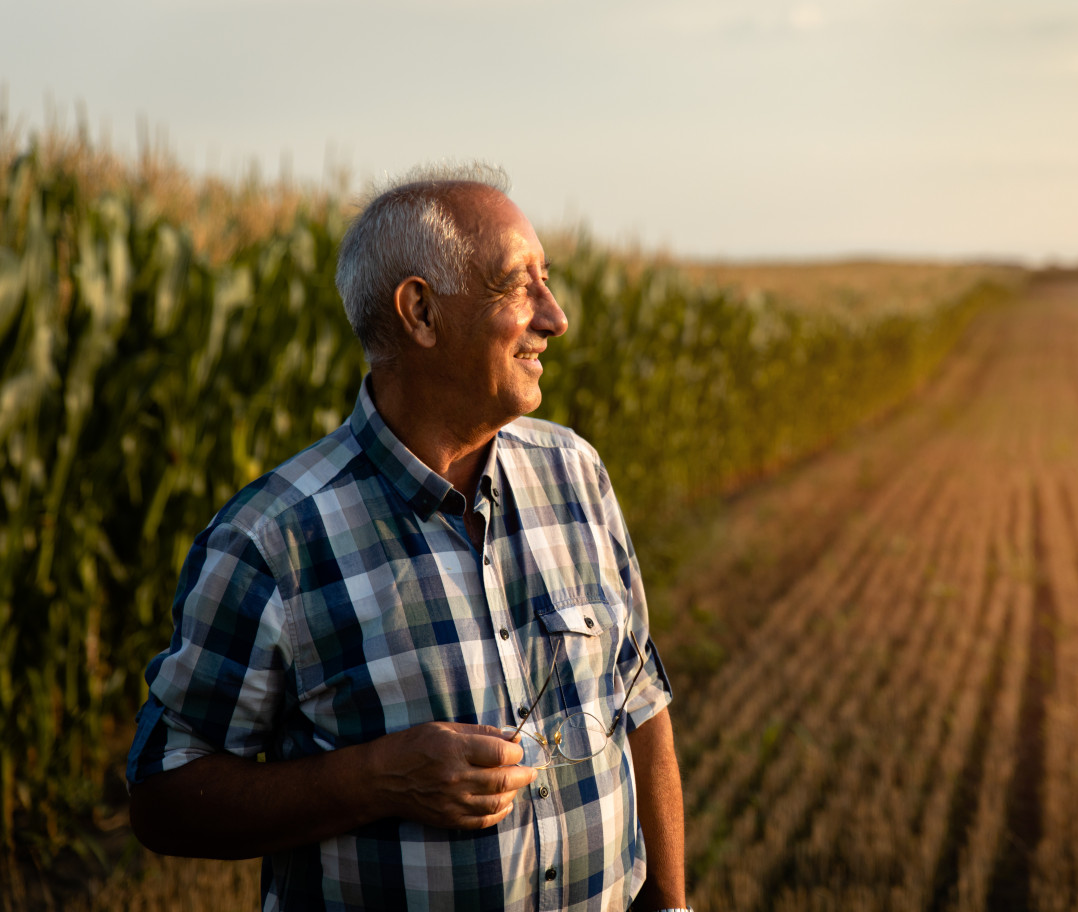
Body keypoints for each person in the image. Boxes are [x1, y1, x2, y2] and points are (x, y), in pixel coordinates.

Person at [126, 163, 690, 912]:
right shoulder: (271, 542)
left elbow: (638, 699)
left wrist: (673, 902)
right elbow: (164, 795)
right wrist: (374, 778)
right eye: (519, 285)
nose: (555, 317)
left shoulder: (576, 473)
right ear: (420, 313)